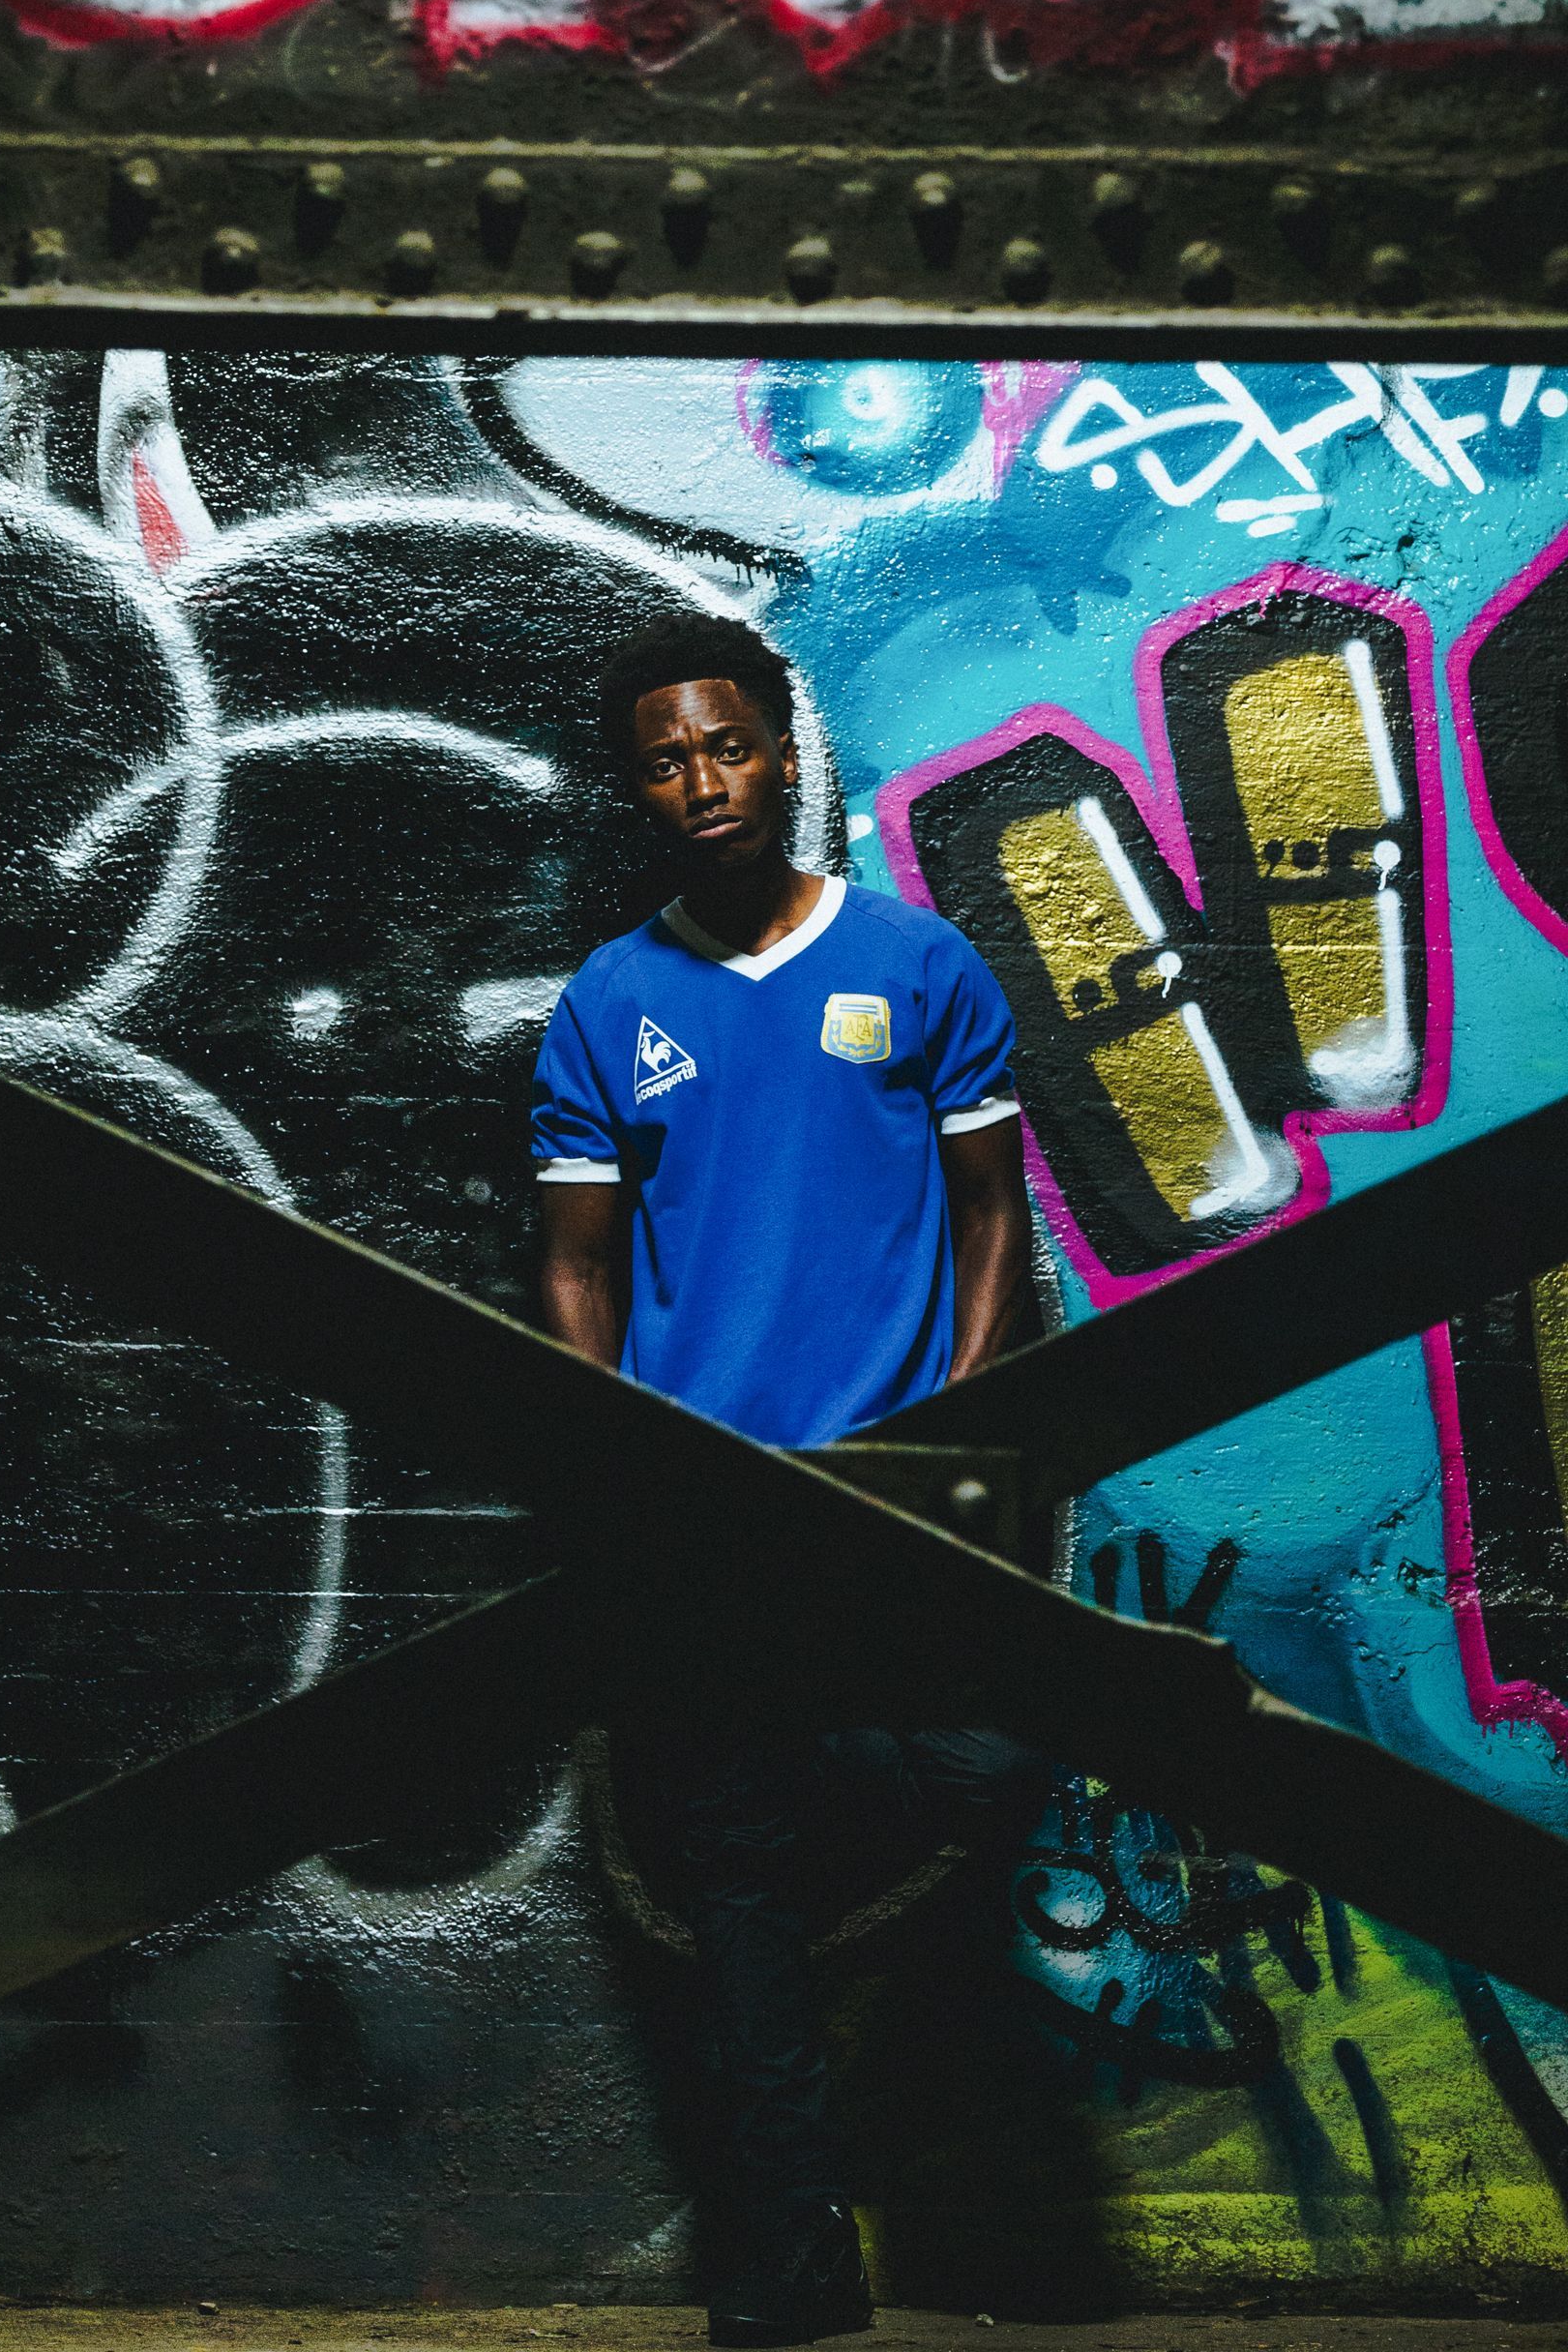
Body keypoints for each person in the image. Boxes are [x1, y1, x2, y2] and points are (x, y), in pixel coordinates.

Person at [531, 612, 1048, 2349]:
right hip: (702, 1527)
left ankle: (979, 2238)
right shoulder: (608, 1005)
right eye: (665, 760)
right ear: (639, 789)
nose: (700, 782)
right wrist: (612, 1461)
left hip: (896, 1510)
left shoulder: (917, 964)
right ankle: (801, 2267)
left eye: (725, 745)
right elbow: (580, 1267)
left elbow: (995, 1220)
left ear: (780, 746)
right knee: (739, 1906)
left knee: (973, 1780)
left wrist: (959, 1428)